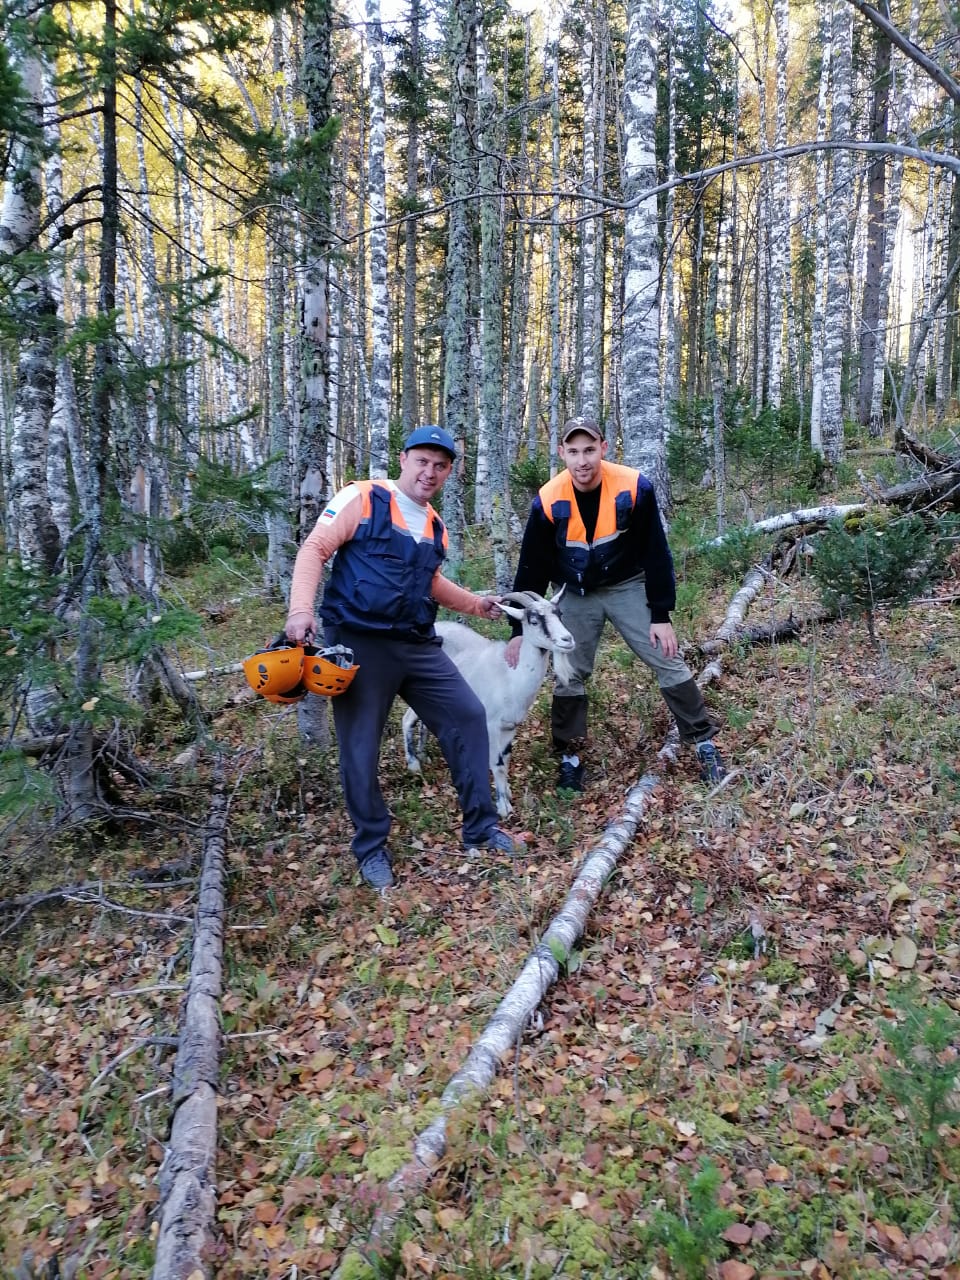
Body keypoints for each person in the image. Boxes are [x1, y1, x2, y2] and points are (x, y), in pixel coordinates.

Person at [285, 425, 523, 890]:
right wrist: (299, 611)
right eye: (422, 461)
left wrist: (476, 604)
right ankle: (371, 848)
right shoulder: (362, 498)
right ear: (403, 459)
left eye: (440, 465)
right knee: (360, 747)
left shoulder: (435, 525)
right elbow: (315, 549)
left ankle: (481, 827)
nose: (429, 472)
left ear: (449, 471)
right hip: (358, 642)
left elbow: (429, 582)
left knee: (468, 715)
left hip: (417, 642)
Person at [506, 416, 725, 791]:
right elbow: (531, 569)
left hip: (627, 585)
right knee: (569, 672)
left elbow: (656, 553)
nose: (582, 461)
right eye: (573, 452)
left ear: (604, 448)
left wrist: (660, 614)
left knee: (667, 657)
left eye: (589, 450)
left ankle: (703, 741)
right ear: (562, 453)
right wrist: (517, 631)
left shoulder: (635, 487)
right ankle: (570, 755)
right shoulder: (547, 500)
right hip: (573, 592)